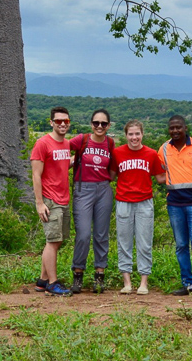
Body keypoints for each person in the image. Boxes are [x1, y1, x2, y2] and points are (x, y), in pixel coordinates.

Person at [158, 115, 192, 299]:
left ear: (185, 128)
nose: (175, 131)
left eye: (178, 128)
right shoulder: (164, 149)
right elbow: (160, 173)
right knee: (181, 245)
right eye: (172, 128)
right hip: (175, 203)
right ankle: (187, 283)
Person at [110, 120, 165, 295]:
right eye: (130, 134)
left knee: (144, 242)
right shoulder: (117, 153)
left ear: (142, 134)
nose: (134, 137)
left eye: (137, 134)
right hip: (124, 201)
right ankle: (127, 282)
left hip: (144, 202)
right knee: (124, 242)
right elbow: (111, 175)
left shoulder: (150, 154)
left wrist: (179, 171)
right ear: (125, 135)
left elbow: (160, 178)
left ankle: (143, 282)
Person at [69, 109, 115, 294]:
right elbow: (60, 148)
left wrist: (104, 182)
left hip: (103, 188)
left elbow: (112, 169)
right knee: (83, 234)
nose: (99, 126)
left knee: (101, 234)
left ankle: (99, 275)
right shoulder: (81, 140)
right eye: (96, 123)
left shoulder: (110, 143)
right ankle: (78, 274)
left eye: (103, 124)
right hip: (83, 189)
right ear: (91, 124)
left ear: (108, 126)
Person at [31, 107, 73, 297]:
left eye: (66, 121)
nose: (62, 124)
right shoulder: (42, 144)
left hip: (64, 198)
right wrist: (40, 203)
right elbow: (36, 175)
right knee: (52, 241)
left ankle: (42, 281)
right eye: (58, 121)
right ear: (51, 122)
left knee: (57, 241)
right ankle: (53, 283)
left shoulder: (65, 144)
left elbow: (64, 164)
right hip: (50, 199)